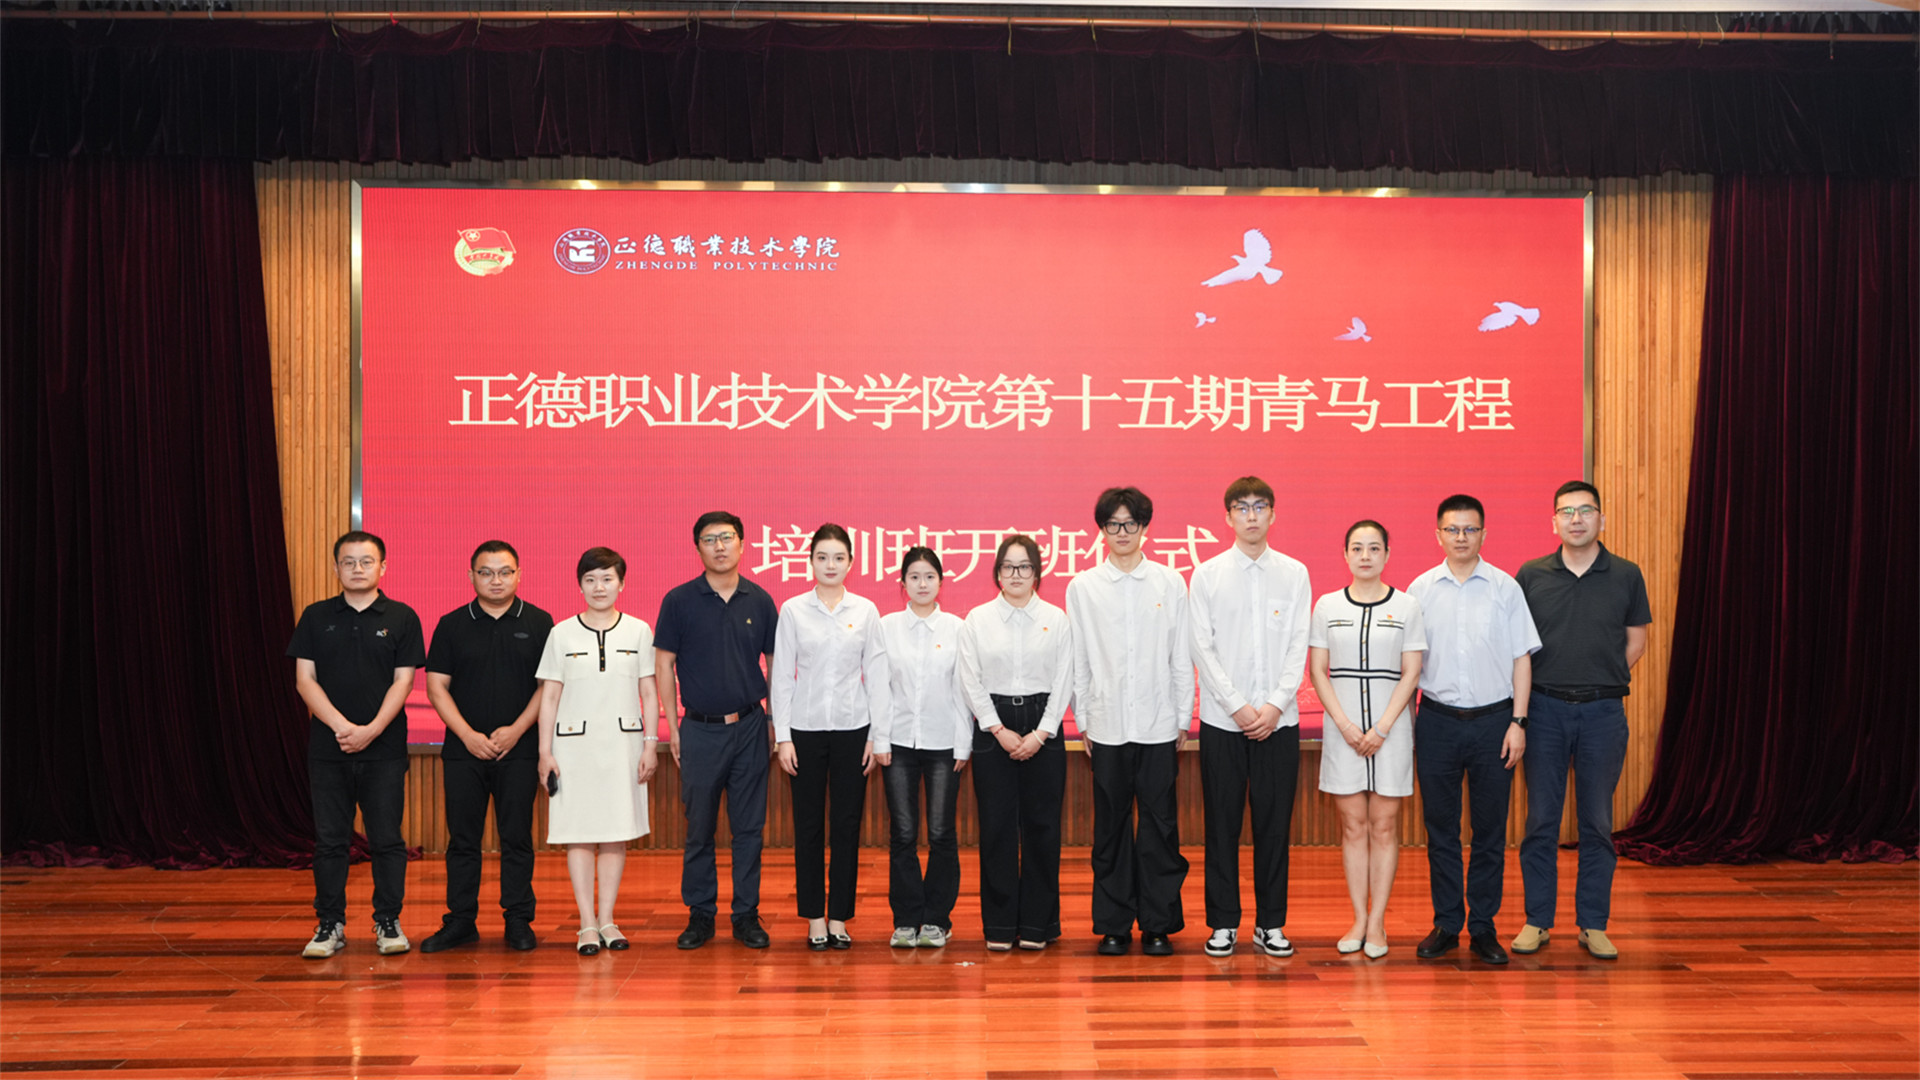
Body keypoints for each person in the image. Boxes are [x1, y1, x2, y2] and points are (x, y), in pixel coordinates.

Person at [1512, 481, 1652, 962]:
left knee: (1597, 823)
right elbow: (1517, 647)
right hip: (1544, 712)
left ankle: (1594, 924)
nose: (1576, 519)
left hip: (1602, 713)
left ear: (1601, 520)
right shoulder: (1531, 575)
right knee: (1541, 821)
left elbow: (1636, 641)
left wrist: (1599, 678)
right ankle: (1537, 920)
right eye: (1567, 511)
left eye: (1586, 510)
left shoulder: (1626, 574)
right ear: (1553, 521)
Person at [1407, 495, 1541, 966]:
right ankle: (1447, 923)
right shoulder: (1420, 590)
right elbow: (1410, 665)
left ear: (1484, 533)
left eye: (1470, 529)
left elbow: (1522, 659)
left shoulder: (1506, 588)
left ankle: (1483, 926)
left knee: (1489, 831)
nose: (1461, 537)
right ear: (1438, 535)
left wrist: (1518, 722)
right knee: (1440, 830)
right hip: (1437, 722)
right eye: (1452, 529)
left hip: (1494, 724)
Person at [1188, 476, 1312, 959]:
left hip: (1279, 723)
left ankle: (1270, 923)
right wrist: (1237, 706)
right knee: (1221, 826)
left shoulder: (1294, 573)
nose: (1252, 515)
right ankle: (1223, 923)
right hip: (1224, 722)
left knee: (1274, 827)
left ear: (1273, 515)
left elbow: (1298, 643)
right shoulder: (1208, 575)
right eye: (1242, 507)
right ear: (1228, 517)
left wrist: (1276, 704)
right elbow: (1202, 647)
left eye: (1260, 506)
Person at [286, 530, 426, 959]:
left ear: (383, 567)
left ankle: (388, 920)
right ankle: (330, 924)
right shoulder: (316, 616)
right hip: (329, 750)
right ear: (336, 568)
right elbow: (304, 680)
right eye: (348, 562)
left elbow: (404, 682)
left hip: (384, 749)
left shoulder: (402, 617)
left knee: (386, 839)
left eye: (367, 561)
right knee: (330, 840)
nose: (358, 569)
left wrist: (371, 730)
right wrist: (342, 727)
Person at [1066, 487, 1192, 958]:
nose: (1122, 532)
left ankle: (1158, 924)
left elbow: (1181, 655)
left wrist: (1183, 716)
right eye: (1113, 524)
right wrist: (1084, 719)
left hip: (1159, 724)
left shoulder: (1169, 583)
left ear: (1145, 528)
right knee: (1111, 828)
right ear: (1102, 529)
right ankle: (1114, 924)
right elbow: (1079, 659)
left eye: (1131, 524)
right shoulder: (1083, 587)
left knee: (1160, 828)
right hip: (1107, 725)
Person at [654, 511, 780, 951]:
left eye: (727, 538)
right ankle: (700, 914)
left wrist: (773, 722)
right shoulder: (679, 600)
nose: (720, 546)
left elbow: (775, 664)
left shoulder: (760, 600)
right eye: (710, 539)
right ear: (698, 548)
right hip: (699, 730)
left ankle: (745, 915)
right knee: (699, 828)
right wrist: (673, 726)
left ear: (743, 544)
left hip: (749, 726)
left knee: (749, 829)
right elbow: (664, 664)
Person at [421, 540, 554, 953]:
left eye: (505, 572)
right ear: (471, 576)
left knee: (517, 838)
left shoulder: (539, 622)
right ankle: (461, 921)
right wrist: (467, 735)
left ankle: (518, 920)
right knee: (463, 840)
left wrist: (516, 730)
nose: (496, 580)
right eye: (486, 572)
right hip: (464, 752)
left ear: (519, 574)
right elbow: (436, 687)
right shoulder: (451, 624)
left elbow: (548, 687)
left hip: (520, 749)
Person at [1308, 520, 1426, 959]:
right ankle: (1358, 918)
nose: (1365, 556)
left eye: (1374, 548)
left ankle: (1378, 923)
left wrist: (1382, 728)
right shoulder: (1327, 605)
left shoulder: (1407, 606)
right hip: (1343, 731)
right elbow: (1318, 670)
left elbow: (1411, 672)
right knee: (1354, 826)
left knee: (1384, 825)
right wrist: (1344, 725)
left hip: (1390, 731)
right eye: (1357, 548)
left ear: (1387, 555)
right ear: (1345, 554)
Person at [771, 524, 892, 949]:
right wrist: (783, 736)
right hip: (803, 731)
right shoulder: (793, 610)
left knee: (846, 824)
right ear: (810, 561)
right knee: (807, 826)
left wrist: (877, 736)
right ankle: (814, 918)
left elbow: (877, 674)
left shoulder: (866, 610)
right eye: (822, 557)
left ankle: (839, 916)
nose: (830, 565)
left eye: (839, 558)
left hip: (852, 729)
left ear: (851, 563)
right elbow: (782, 676)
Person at [535, 546, 661, 957]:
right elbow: (549, 696)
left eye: (607, 579)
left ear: (622, 584)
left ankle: (607, 920)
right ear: (580, 586)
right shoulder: (561, 633)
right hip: (572, 749)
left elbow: (649, 692)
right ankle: (586, 924)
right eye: (590, 580)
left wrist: (650, 744)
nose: (599, 587)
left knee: (615, 833)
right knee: (578, 833)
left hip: (623, 746)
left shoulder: (639, 631)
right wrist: (545, 752)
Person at [958, 534, 1073, 952]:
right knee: (997, 828)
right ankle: (1001, 925)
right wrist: (997, 728)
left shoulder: (1056, 619)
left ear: (1037, 572)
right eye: (1008, 566)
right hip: (994, 728)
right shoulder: (978, 619)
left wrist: (1042, 733)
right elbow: (969, 679)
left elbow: (1065, 678)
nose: (1016, 574)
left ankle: (1039, 925)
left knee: (1043, 829)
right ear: (997, 573)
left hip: (1044, 725)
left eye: (1025, 566)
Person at [878, 547, 971, 950]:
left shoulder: (957, 629)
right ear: (903, 584)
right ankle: (905, 919)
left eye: (929, 577)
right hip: (898, 742)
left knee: (940, 832)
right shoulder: (886, 627)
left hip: (943, 743)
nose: (921, 584)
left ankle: (936, 919)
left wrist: (964, 744)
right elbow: (879, 688)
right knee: (902, 833)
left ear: (941, 582)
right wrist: (880, 738)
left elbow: (964, 690)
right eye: (914, 577)